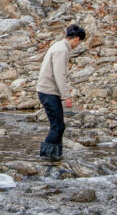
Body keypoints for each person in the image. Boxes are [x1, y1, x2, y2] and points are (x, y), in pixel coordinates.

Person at [36, 24, 85, 161]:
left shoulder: (59, 46)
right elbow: (59, 75)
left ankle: (56, 156)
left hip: (47, 90)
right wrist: (66, 96)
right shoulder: (62, 50)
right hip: (49, 91)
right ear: (76, 39)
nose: (78, 45)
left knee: (58, 126)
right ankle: (46, 157)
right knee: (57, 126)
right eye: (79, 42)